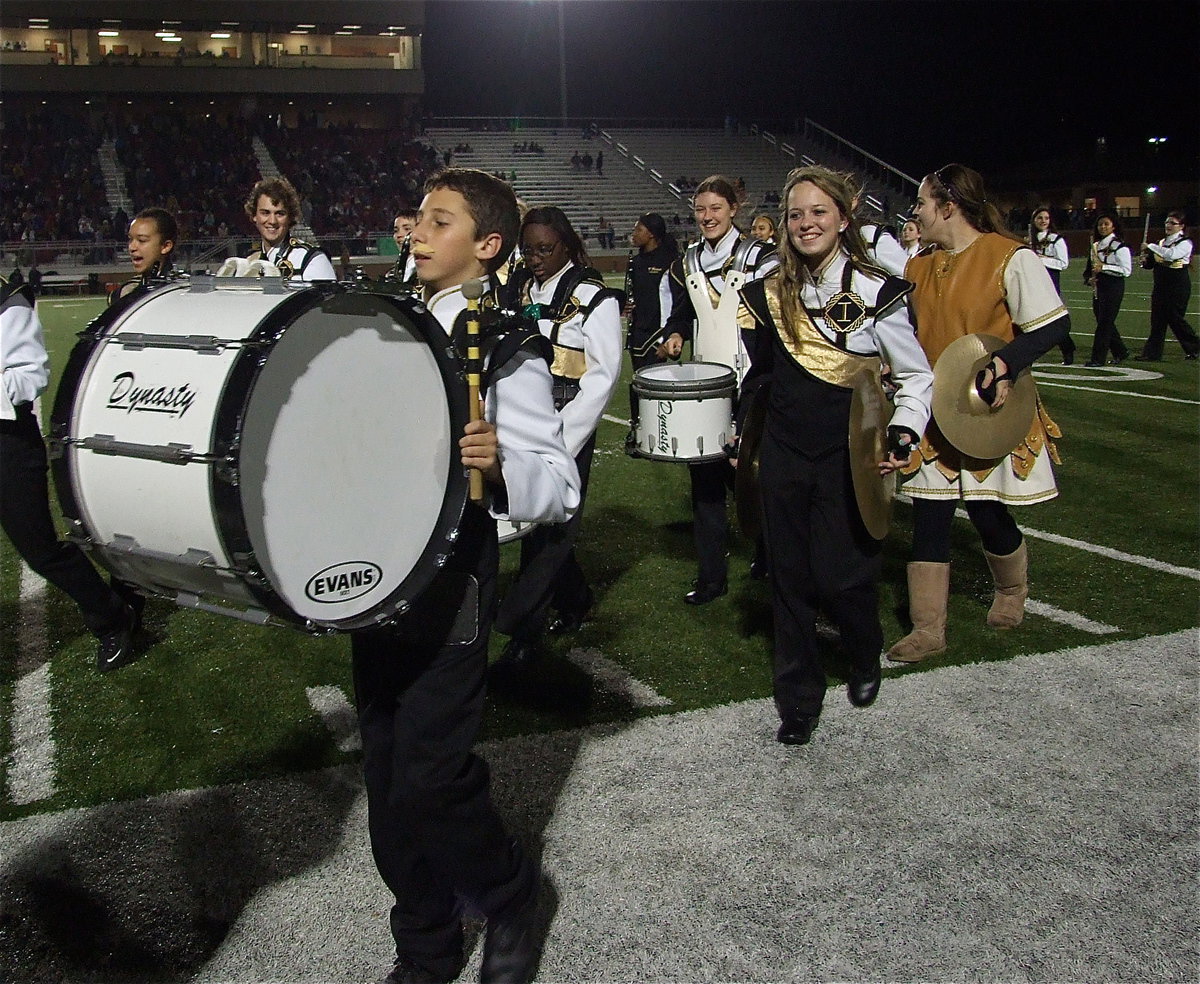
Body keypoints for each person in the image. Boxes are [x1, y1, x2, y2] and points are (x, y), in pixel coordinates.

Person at [352, 168, 579, 984]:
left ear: (486, 246)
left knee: (430, 775)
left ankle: (513, 894)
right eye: (416, 216)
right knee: (383, 773)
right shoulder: (389, 318)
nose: (414, 230)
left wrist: (504, 461)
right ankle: (425, 940)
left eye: (437, 221)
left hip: (453, 577)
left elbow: (560, 479)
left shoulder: (504, 337)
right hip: (376, 571)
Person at [739, 166, 933, 746]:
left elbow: (916, 377)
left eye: (819, 212)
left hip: (849, 453)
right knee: (789, 578)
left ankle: (864, 649)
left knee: (842, 576)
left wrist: (903, 433)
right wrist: (741, 434)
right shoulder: (769, 291)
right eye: (796, 214)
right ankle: (798, 698)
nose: (806, 223)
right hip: (782, 447)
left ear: (844, 219)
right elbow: (762, 376)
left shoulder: (878, 288)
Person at [889, 163, 1070, 664]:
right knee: (929, 513)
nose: (916, 214)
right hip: (933, 412)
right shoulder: (916, 266)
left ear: (948, 206)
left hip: (989, 409)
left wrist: (1005, 362)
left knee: (988, 512)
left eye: (922, 204)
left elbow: (1052, 326)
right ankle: (928, 629)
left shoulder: (1009, 257)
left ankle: (1012, 592)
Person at [492, 207, 622, 666]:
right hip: (527, 417)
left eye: (544, 249)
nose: (535, 258)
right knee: (537, 517)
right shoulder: (521, 288)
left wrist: (565, 440)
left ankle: (523, 628)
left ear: (566, 244)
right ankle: (575, 598)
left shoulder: (593, 297)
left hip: (566, 423)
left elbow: (603, 376)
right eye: (528, 250)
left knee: (551, 531)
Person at [1, 273, 140, 672]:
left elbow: (33, 375)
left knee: (41, 551)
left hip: (7, 439)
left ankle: (112, 615)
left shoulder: (8, 300)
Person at [661, 175, 778, 604]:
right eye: (700, 209)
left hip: (752, 382)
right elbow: (679, 314)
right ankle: (711, 577)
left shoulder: (762, 258)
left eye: (715, 208)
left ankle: (769, 555)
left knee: (751, 476)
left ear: (734, 209)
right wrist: (674, 335)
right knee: (705, 480)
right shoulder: (687, 261)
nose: (707, 217)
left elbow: (775, 321)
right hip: (706, 386)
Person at [243, 176, 336, 282]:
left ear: (290, 217)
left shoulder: (313, 260)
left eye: (280, 214)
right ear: (254, 215)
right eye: (265, 213)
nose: (272, 221)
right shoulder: (248, 263)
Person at [1136, 211, 1199, 362]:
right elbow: (1152, 263)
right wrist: (1145, 260)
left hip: (1177, 285)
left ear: (1181, 226)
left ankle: (1195, 346)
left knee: (1175, 318)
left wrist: (1150, 246)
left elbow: (1171, 255)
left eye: (1173, 223)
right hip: (1160, 285)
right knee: (1157, 320)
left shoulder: (1185, 242)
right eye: (1167, 222)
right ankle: (1152, 353)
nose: (1168, 226)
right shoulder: (1161, 243)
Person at [624, 213, 678, 377]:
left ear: (652, 233)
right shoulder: (636, 261)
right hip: (637, 335)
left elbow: (675, 303)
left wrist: (665, 340)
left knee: (655, 387)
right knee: (638, 384)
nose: (634, 233)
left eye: (639, 229)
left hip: (656, 336)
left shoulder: (670, 261)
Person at [1082, 212, 1131, 366]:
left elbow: (1126, 270)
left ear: (1113, 226)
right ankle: (1120, 351)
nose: (1103, 227)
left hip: (1114, 285)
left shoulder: (1119, 246)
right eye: (1100, 224)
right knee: (1103, 320)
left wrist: (1104, 267)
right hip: (1100, 285)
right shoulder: (1095, 246)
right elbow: (1089, 269)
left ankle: (1098, 358)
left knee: (1105, 323)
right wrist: (1089, 279)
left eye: (1106, 224)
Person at [1028, 206, 1075, 364]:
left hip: (1050, 281)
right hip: (1033, 281)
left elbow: (1063, 263)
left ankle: (1067, 348)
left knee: (1053, 319)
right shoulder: (1029, 240)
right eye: (1040, 218)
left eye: (1046, 218)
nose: (1043, 221)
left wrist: (1041, 259)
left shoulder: (1056, 239)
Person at [112, 207, 180, 303]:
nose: (132, 247)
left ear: (165, 246)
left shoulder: (181, 292)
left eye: (142, 240)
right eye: (130, 239)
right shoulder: (125, 292)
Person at [386, 207, 419, 287]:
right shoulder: (393, 272)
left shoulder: (425, 270)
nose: (399, 235)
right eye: (396, 231)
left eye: (407, 229)